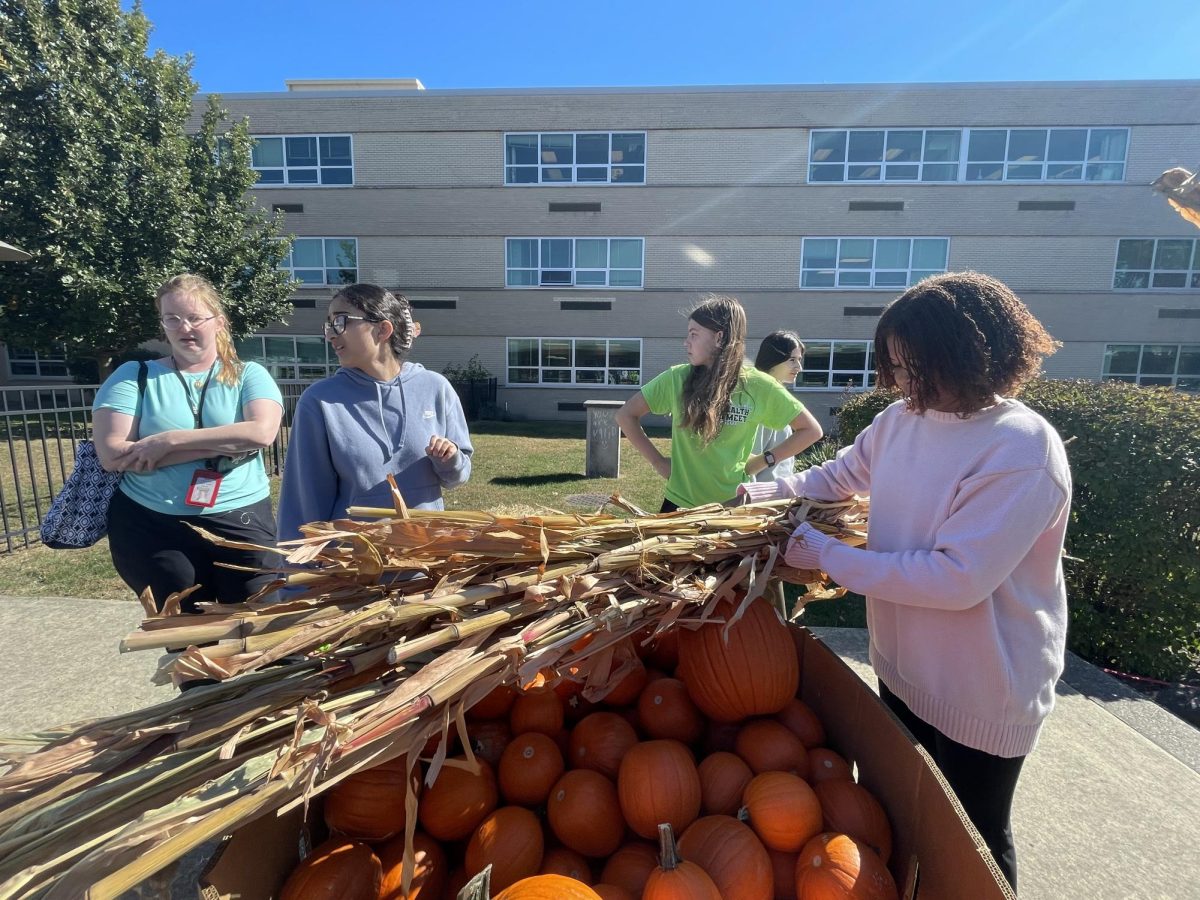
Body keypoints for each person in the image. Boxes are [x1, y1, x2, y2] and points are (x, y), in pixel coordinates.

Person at [738, 272, 1071, 890]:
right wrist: (769, 492)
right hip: (903, 667)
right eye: (895, 367)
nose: (903, 383)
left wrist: (825, 556)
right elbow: (841, 474)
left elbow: (955, 579)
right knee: (897, 825)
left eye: (916, 366)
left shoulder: (1021, 449)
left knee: (973, 844)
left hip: (983, 685)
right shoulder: (900, 420)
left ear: (973, 355)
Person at [92, 274, 284, 613]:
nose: (185, 328)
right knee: (187, 637)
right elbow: (112, 455)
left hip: (240, 518)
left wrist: (168, 442)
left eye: (195, 318)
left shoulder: (249, 375)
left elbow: (261, 433)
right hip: (154, 525)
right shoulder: (133, 375)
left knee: (259, 624)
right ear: (162, 324)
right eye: (173, 319)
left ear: (219, 323)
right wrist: (227, 442)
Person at [277, 283, 472, 540]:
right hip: (355, 567)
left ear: (383, 329)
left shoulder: (435, 387)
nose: (330, 335)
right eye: (329, 325)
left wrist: (451, 459)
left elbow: (458, 475)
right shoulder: (320, 402)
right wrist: (299, 572)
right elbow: (302, 503)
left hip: (426, 560)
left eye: (340, 321)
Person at [615, 295, 822, 512]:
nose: (686, 342)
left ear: (719, 338)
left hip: (732, 508)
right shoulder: (676, 379)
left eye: (694, 334)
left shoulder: (758, 386)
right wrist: (658, 462)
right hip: (679, 506)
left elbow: (810, 430)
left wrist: (764, 460)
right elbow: (625, 415)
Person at [751, 331, 808, 482]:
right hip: (759, 498)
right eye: (792, 360)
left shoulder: (777, 399)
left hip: (777, 495)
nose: (798, 367)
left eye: (799, 360)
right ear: (772, 359)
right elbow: (749, 459)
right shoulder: (759, 400)